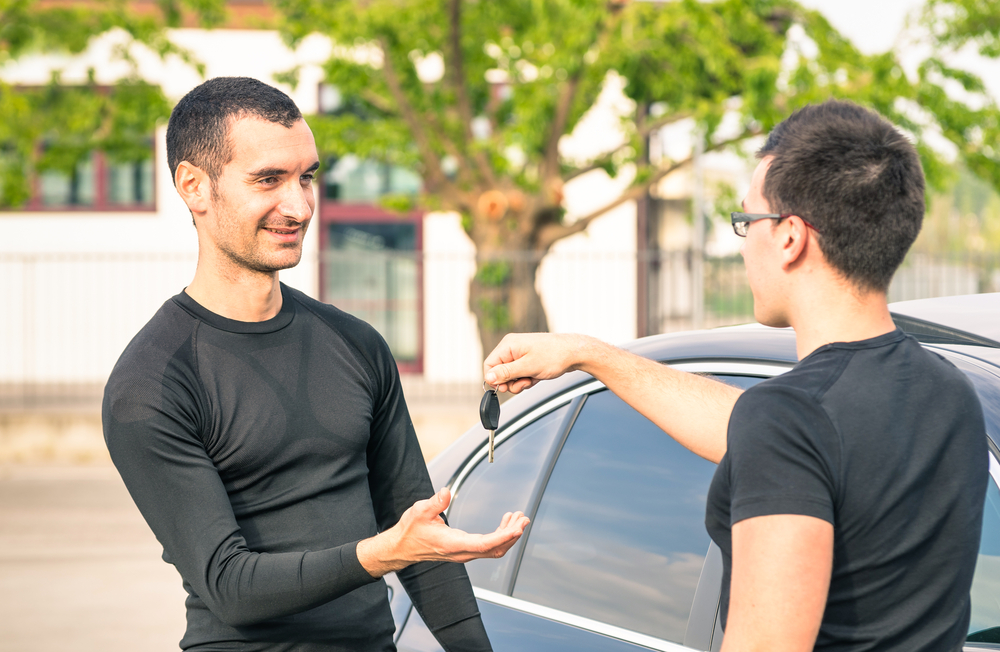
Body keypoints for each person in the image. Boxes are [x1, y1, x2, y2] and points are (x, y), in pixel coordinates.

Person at [483, 100, 987, 652]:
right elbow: (770, 430)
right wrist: (589, 354)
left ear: (791, 237)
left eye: (746, 222)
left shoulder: (793, 420)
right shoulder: (951, 393)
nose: (743, 243)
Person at [103, 76, 528, 652]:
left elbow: (420, 537)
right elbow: (229, 585)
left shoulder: (356, 344)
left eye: (307, 177)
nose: (299, 205)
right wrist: (383, 553)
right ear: (194, 187)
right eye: (269, 179)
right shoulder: (153, 382)